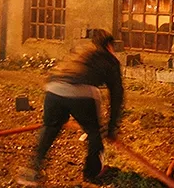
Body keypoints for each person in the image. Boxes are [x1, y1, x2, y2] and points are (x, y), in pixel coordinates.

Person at [17, 29, 124, 186]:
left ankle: (31, 171)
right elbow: (117, 95)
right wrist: (111, 128)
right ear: (109, 45)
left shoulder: (81, 50)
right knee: (95, 134)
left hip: (53, 89)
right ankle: (92, 172)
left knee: (49, 129)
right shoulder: (109, 59)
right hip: (81, 91)